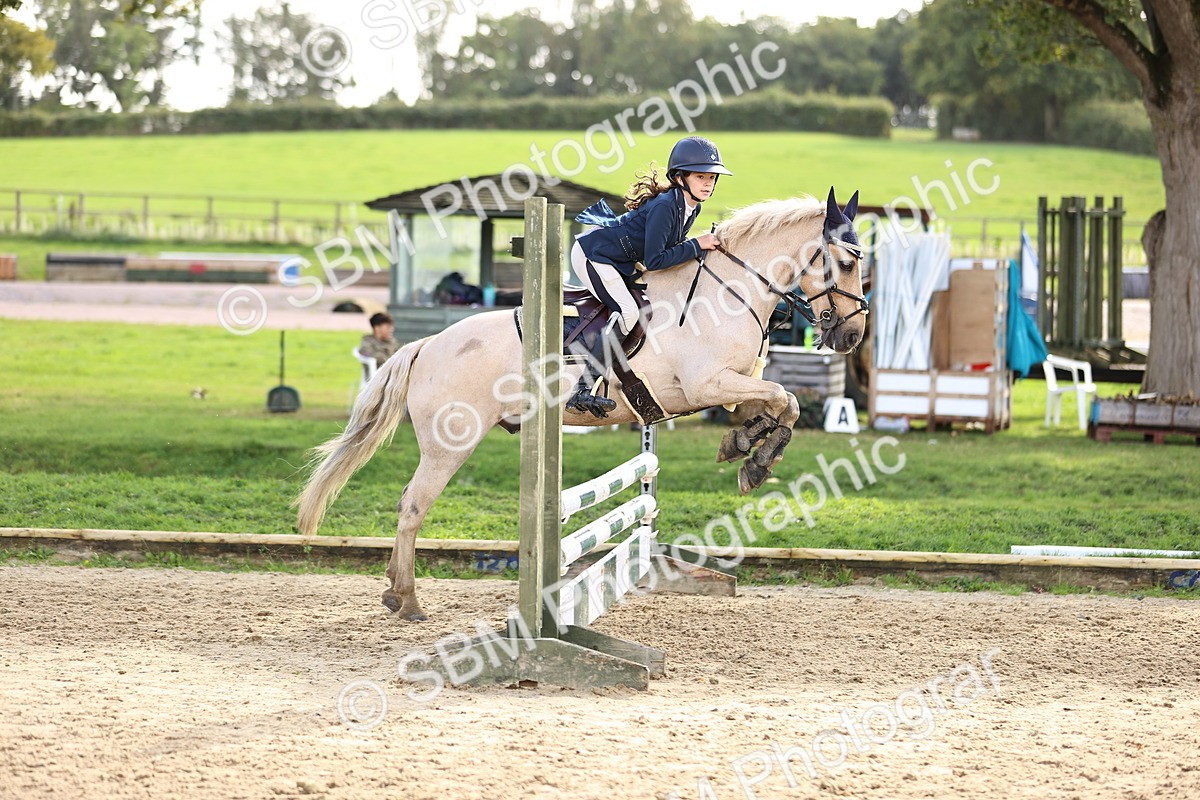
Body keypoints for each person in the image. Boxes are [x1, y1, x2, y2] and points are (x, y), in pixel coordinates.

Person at [566, 135, 731, 418]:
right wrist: (697, 245)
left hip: (621, 258)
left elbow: (669, 250)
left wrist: (696, 249)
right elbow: (656, 260)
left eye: (712, 178)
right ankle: (582, 389)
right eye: (700, 176)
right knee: (629, 311)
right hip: (594, 254)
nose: (708, 183)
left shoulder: (692, 206)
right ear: (679, 177)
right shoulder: (666, 206)